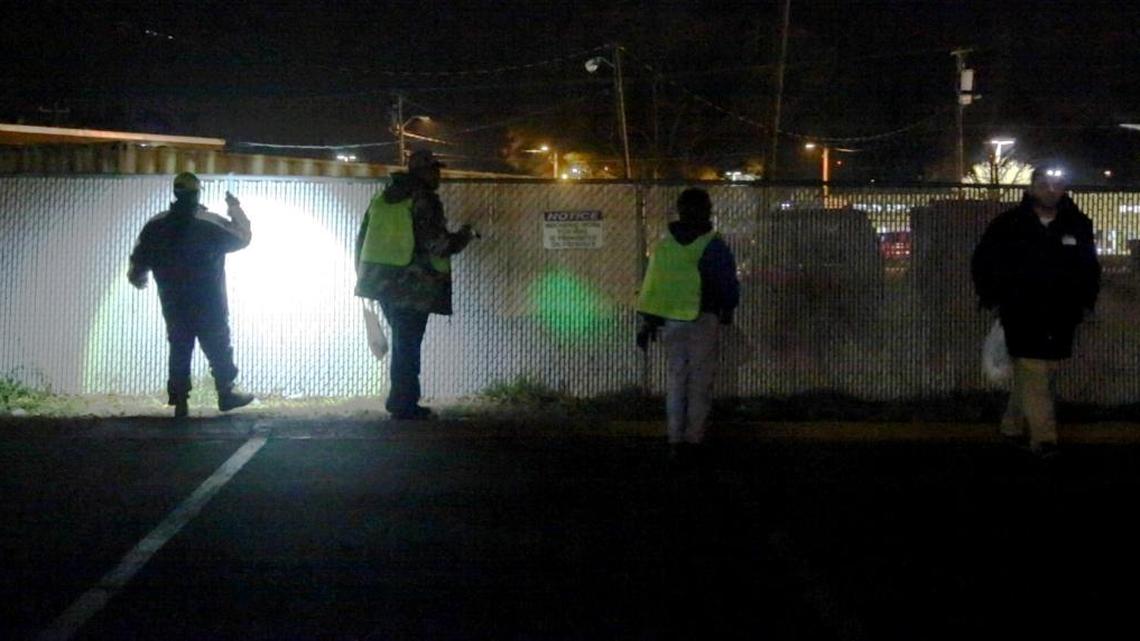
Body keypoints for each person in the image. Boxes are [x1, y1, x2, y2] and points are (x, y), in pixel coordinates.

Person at [971, 168, 1101, 457]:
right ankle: (1044, 438)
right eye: (1044, 185)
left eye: (1057, 185)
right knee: (1035, 369)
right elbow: (984, 260)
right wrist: (994, 295)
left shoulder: (1077, 224)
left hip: (1061, 313)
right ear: (1031, 188)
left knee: (1043, 371)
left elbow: (1089, 267)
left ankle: (1012, 426)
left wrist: (1085, 301)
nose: (1051, 190)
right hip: (1022, 311)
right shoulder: (1009, 224)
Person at [355, 149, 475, 420]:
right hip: (413, 285)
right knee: (407, 344)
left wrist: (364, 277)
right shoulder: (423, 200)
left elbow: (362, 239)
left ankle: (400, 399)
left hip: (380, 282)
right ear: (422, 172)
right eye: (434, 169)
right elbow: (439, 245)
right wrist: (464, 236)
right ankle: (403, 403)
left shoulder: (383, 198)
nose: (438, 175)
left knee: (402, 341)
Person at [127, 172, 256, 418]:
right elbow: (243, 237)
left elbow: (140, 257)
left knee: (179, 345)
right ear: (198, 193)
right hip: (209, 300)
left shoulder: (156, 225)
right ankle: (226, 392)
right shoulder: (209, 223)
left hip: (173, 301)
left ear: (175, 193)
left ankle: (179, 399)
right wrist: (234, 207)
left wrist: (138, 276)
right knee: (218, 346)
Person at [636, 188, 740, 464]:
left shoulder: (664, 245)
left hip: (671, 322)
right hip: (703, 319)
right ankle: (695, 439)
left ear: (679, 211)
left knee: (676, 380)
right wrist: (727, 309)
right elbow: (726, 284)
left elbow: (654, 286)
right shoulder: (713, 245)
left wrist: (648, 322)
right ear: (707, 210)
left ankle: (674, 440)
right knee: (700, 383)